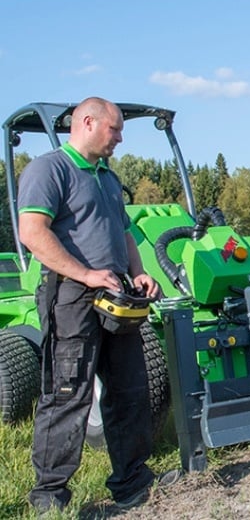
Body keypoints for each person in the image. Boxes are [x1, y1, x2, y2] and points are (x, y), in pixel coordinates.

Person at [17, 97, 166, 513]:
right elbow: (33, 232)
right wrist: (85, 274)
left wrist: (137, 272)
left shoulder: (109, 178)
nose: (120, 138)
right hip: (72, 295)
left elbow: (125, 234)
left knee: (129, 391)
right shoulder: (50, 170)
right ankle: (50, 494)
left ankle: (132, 480)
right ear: (88, 122)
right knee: (68, 393)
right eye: (115, 129)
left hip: (116, 295)